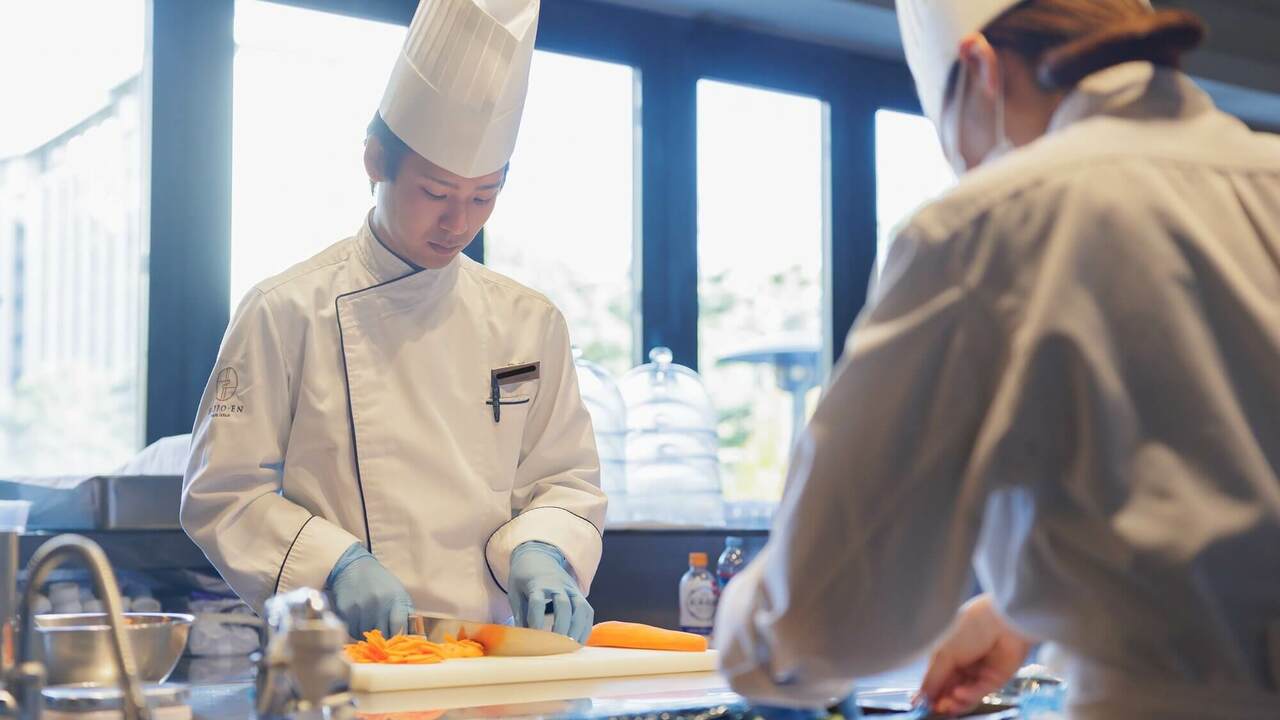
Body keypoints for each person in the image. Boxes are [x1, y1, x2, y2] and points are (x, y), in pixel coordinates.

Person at [713, 1, 1280, 717]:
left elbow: (822, 617)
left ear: (979, 69)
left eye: (953, 140)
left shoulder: (988, 221)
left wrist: (749, 641)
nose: (963, 168)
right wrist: (1028, 612)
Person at [181, 0, 605, 644]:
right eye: (436, 194)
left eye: (483, 197)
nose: (458, 223)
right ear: (376, 161)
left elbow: (564, 477)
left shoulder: (530, 321)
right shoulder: (285, 309)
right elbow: (223, 492)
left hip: (488, 656)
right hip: (339, 657)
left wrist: (544, 548)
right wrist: (335, 562)